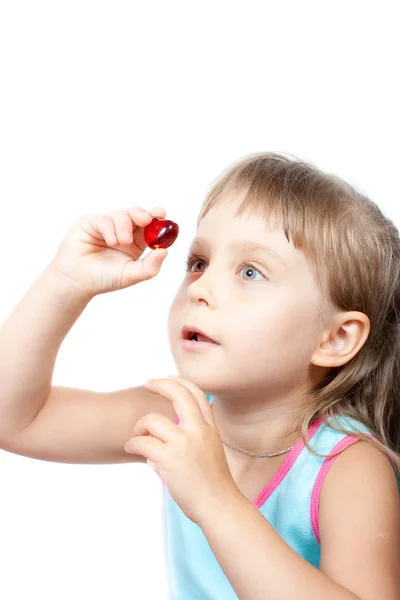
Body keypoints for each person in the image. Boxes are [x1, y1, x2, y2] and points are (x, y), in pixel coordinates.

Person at [0, 152, 399, 600]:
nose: (201, 288)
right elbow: (15, 419)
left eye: (250, 272)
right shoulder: (177, 413)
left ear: (336, 338)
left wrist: (215, 500)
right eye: (199, 263)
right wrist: (64, 283)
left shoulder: (349, 466)